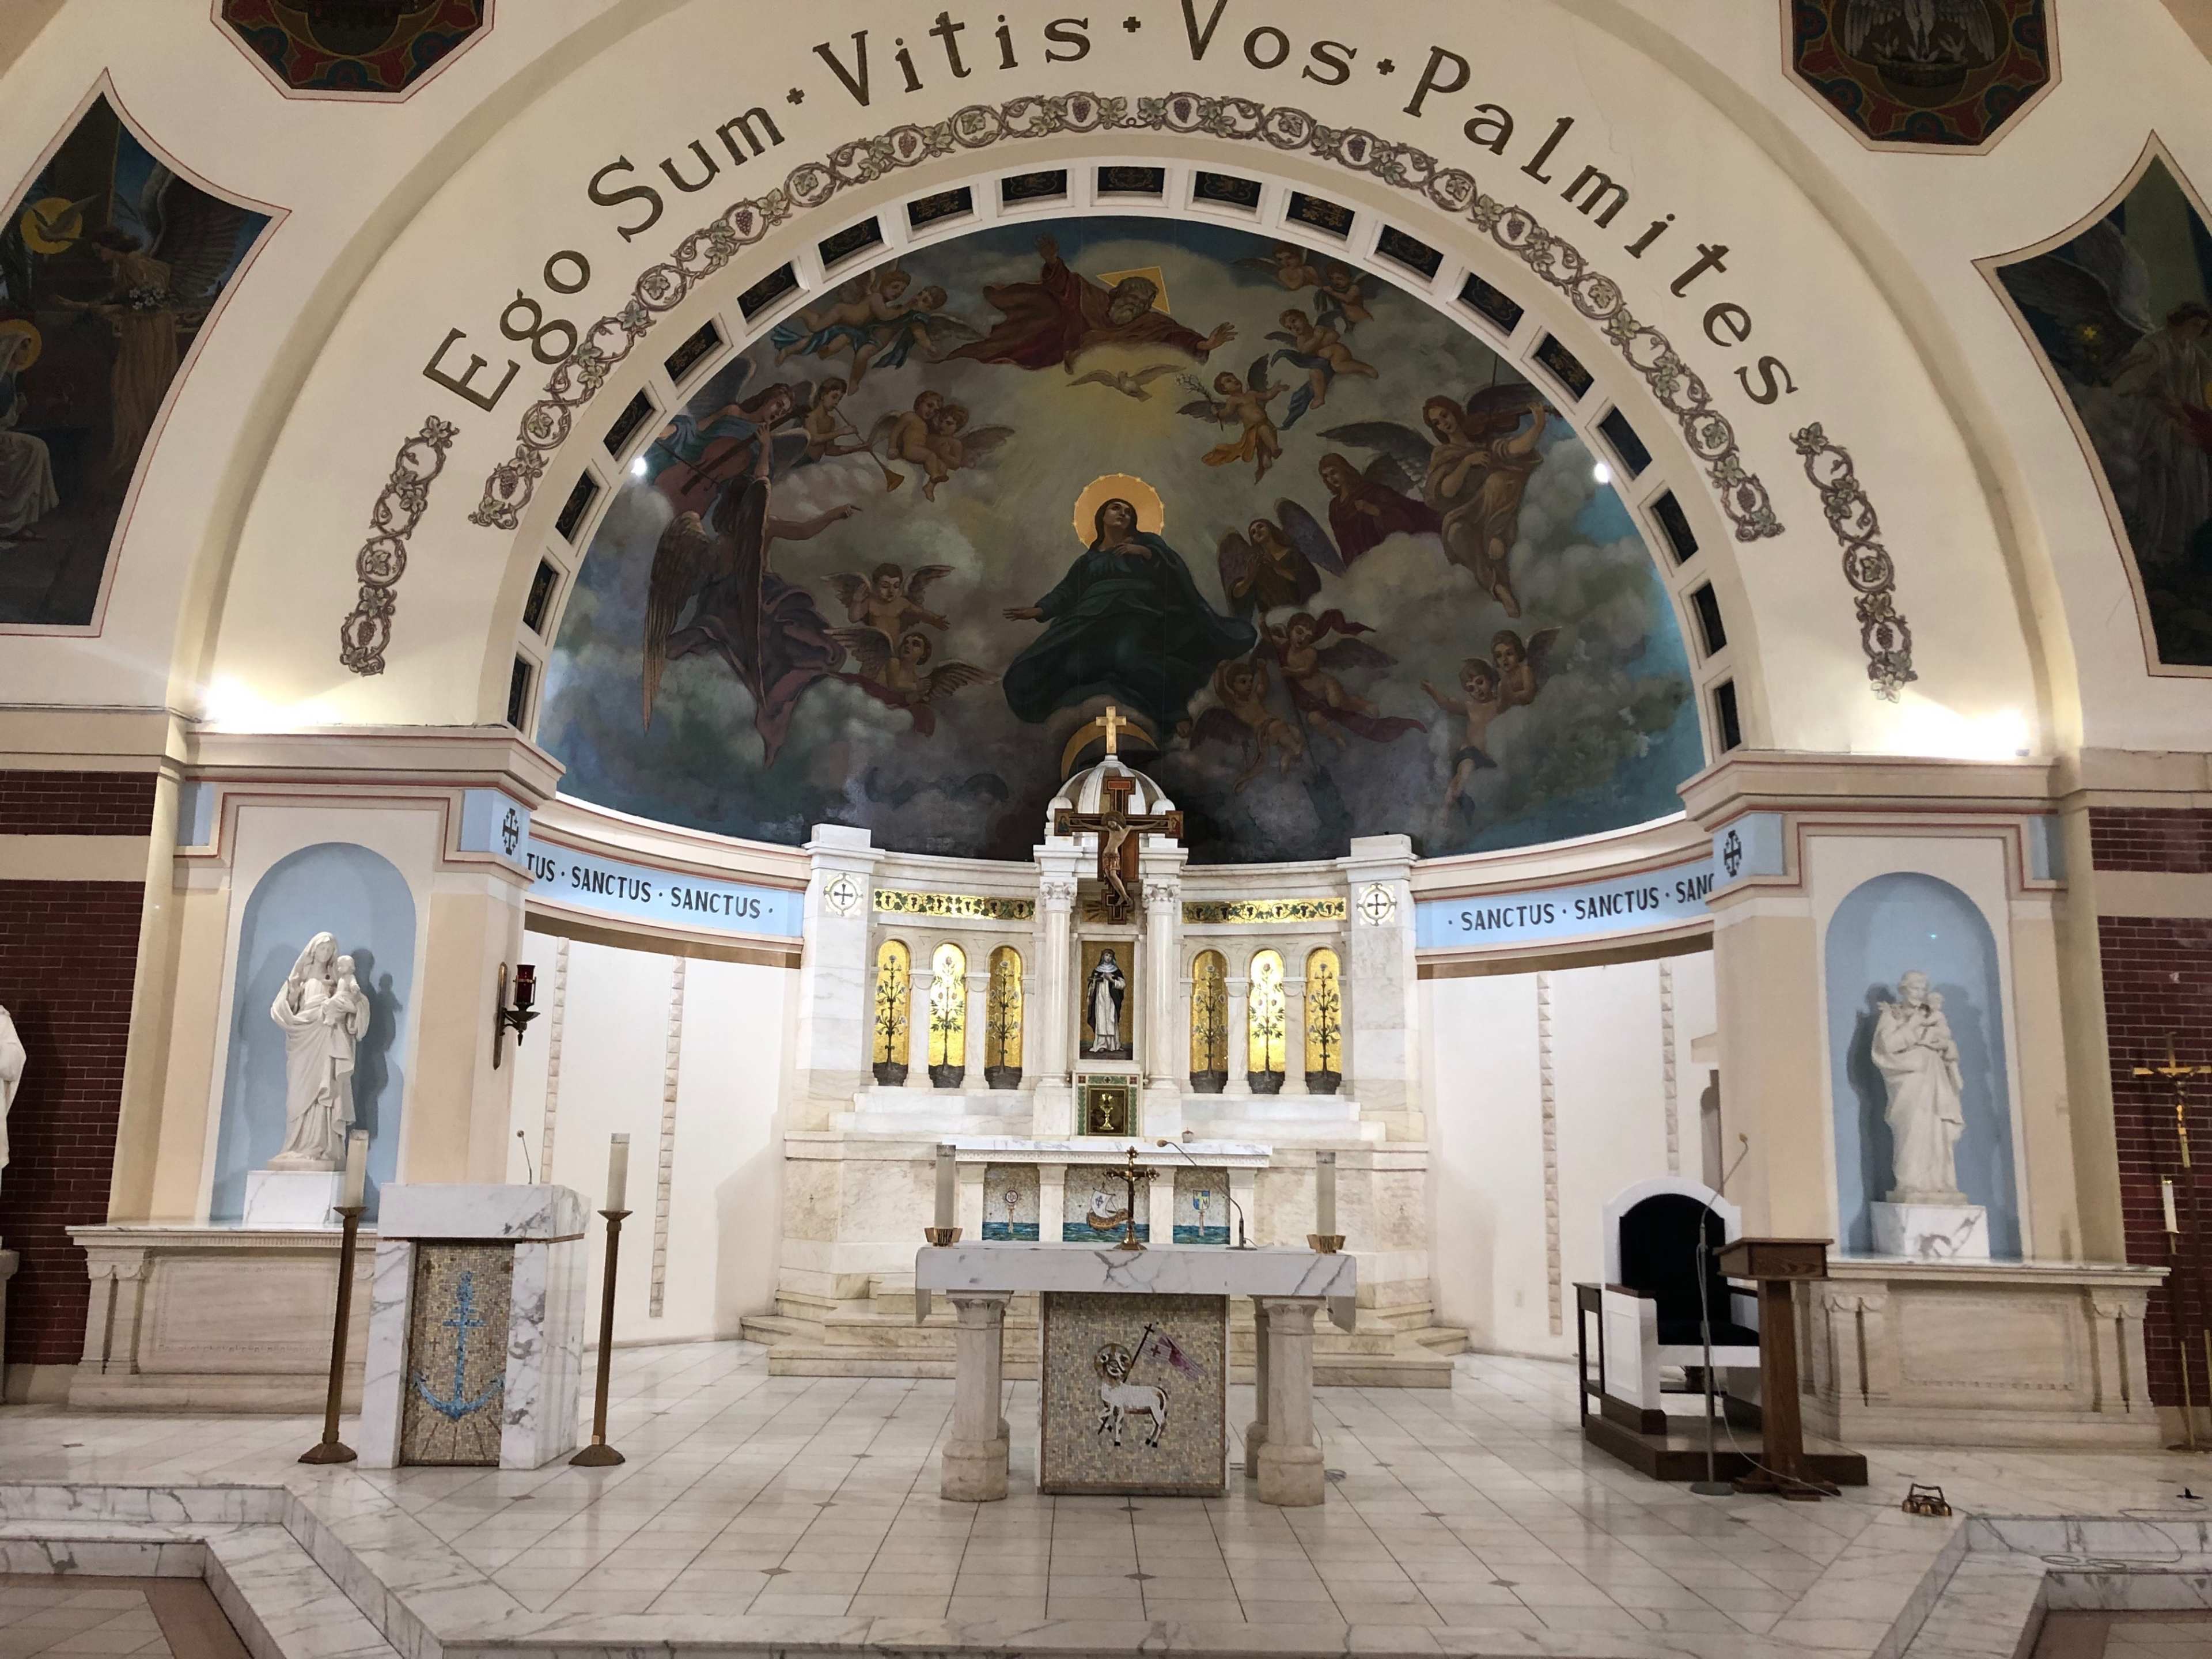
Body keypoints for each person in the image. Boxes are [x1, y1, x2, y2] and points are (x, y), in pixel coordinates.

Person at [1001, 497, 1257, 733]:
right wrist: (1038, 610)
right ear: (1102, 516)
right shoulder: (1088, 561)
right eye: (1116, 508)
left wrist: (1146, 554)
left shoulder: (1146, 544)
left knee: (1128, 656)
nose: (1122, 513)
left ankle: (1172, 710)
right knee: (1071, 667)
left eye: (1128, 511)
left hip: (1134, 612)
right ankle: (1076, 721)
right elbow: (1067, 592)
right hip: (1089, 620)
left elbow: (1174, 575)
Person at [949, 234, 1235, 373]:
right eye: (1132, 297)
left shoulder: (1151, 324)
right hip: (1063, 344)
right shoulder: (1094, 299)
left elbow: (1178, 336)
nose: (1135, 305)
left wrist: (1205, 345)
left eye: (1142, 303)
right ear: (1116, 294)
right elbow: (1065, 284)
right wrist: (1052, 262)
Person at [1422, 394, 1548, 617]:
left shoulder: (1484, 444)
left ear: (1454, 412)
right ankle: (1496, 586)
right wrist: (1466, 463)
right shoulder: (1443, 454)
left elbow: (1515, 449)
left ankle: (1496, 534)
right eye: (1437, 423)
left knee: (1498, 480)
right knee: (1455, 532)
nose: (1444, 423)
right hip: (1466, 513)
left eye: (1445, 415)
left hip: (1494, 508)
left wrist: (1538, 427)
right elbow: (1445, 491)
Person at [1872, 971, 1968, 1202]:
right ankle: (1911, 1182)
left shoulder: (1934, 1015)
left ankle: (1941, 1182)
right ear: (1904, 989)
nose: (1920, 993)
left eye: (1923, 988)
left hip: (1935, 1076)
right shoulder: (1893, 1015)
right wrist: (1914, 1025)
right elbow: (1888, 1046)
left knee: (1938, 1129)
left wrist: (1946, 1047)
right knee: (1913, 1130)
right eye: (1915, 988)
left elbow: (1946, 1042)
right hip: (1910, 1081)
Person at [1317, 452, 1440, 562]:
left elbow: (1404, 511)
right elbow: (1344, 545)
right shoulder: (1335, 507)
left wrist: (1375, 510)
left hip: (1385, 556)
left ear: (1343, 469)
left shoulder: (1370, 491)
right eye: (1326, 476)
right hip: (1361, 565)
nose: (1331, 479)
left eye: (1334, 472)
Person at [0, 328, 58, 544]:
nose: (27, 352)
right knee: (36, 448)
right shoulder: (3, 382)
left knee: (37, 448)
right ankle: (14, 521)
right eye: (23, 347)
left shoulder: (9, 378)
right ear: (11, 349)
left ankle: (22, 522)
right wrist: (18, 410)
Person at [1086, 948, 1127, 1054]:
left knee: (1111, 1019)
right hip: (1100, 999)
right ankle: (1101, 1045)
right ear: (1102, 957)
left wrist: (1112, 980)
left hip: (1111, 999)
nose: (1108, 958)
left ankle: (1114, 1045)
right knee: (1101, 1019)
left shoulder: (1116, 971)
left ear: (1112, 958)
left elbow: (1123, 985)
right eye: (1106, 956)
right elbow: (1092, 984)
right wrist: (1090, 993)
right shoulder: (1097, 970)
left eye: (1110, 956)